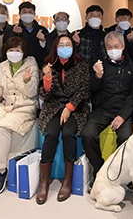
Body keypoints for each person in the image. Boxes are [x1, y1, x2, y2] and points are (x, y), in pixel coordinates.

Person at [0, 37, 39, 197]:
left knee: (3, 127)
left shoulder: (31, 65)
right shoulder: (2, 67)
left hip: (24, 107)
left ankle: (0, 170)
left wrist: (26, 81)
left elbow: (32, 93)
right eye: (11, 50)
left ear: (24, 52)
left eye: (17, 50)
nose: (14, 53)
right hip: (5, 106)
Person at [37, 35, 90, 204]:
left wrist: (70, 107)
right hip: (53, 107)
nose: (65, 47)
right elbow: (44, 94)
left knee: (68, 133)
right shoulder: (49, 64)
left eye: (68, 44)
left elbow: (84, 90)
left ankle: (68, 179)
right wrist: (47, 78)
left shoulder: (80, 65)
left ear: (73, 47)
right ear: (56, 47)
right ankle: (44, 182)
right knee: (51, 134)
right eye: (62, 44)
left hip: (76, 108)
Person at [81, 31, 133, 186]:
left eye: (116, 46)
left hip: (123, 111)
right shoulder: (100, 65)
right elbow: (91, 89)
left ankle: (120, 173)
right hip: (102, 109)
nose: (113, 49)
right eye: (109, 47)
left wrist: (122, 116)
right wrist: (97, 76)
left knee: (125, 138)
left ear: (123, 46)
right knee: (87, 134)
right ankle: (100, 169)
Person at [12, 1, 50, 69]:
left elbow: (48, 51)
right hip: (17, 67)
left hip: (38, 68)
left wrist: (43, 41)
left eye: (30, 12)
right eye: (25, 12)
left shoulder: (42, 30)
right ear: (19, 14)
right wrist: (16, 34)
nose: (27, 14)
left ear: (34, 14)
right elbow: (7, 49)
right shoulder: (12, 29)